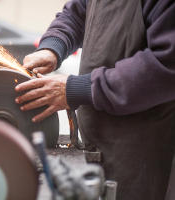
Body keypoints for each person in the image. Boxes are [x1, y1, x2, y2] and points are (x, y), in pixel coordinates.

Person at [14, 0, 175, 200]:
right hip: (96, 142)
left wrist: (77, 88)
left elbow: (166, 66)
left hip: (142, 151)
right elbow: (77, 13)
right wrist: (53, 46)